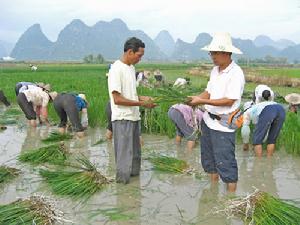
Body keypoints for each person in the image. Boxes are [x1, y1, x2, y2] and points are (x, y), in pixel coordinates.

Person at [188, 32, 245, 192]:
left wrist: (202, 101)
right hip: (208, 121)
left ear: (227, 53)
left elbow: (230, 100)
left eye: (215, 53)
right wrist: (195, 99)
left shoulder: (236, 73)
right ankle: (212, 193)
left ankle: (230, 201)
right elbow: (209, 92)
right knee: (210, 161)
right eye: (211, 53)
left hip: (223, 125)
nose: (212, 56)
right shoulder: (215, 70)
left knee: (226, 163)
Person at [108, 37, 156, 184]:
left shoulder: (131, 68)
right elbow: (117, 99)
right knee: (124, 156)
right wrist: (141, 104)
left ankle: (134, 188)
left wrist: (143, 98)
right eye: (139, 55)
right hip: (122, 118)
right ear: (130, 52)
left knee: (135, 154)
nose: (140, 59)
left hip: (134, 117)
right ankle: (122, 190)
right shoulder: (116, 69)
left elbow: (130, 94)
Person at [243, 90, 285, 158]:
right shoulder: (262, 104)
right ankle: (269, 160)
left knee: (257, 140)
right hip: (281, 109)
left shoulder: (248, 111)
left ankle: (258, 162)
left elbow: (245, 130)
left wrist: (246, 144)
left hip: (268, 110)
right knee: (272, 139)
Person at [241, 84, 274, 151]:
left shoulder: (272, 94)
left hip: (249, 112)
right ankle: (252, 144)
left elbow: (270, 104)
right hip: (254, 107)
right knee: (261, 126)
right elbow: (258, 105)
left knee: (245, 124)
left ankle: (247, 144)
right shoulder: (258, 94)